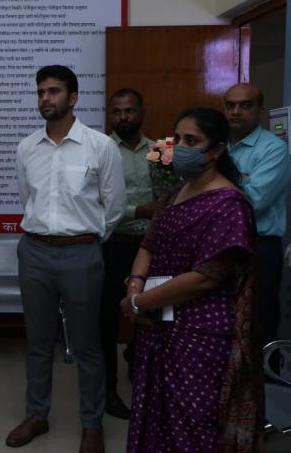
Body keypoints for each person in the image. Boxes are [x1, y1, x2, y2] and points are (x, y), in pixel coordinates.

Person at [123, 108, 263, 453]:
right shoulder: (177, 194)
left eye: (192, 141)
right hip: (157, 325)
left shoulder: (228, 203)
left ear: (215, 150)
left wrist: (140, 303)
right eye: (178, 139)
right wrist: (135, 286)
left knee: (194, 422)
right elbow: (148, 244)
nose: (181, 147)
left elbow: (205, 278)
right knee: (157, 416)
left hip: (200, 332)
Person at [6, 65, 126, 453]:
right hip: (35, 252)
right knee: (38, 342)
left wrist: (86, 240)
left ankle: (91, 423)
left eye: (54, 91)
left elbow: (115, 207)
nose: (45, 98)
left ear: (73, 98)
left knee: (88, 344)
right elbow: (29, 200)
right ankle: (36, 414)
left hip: (81, 254)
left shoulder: (100, 146)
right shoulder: (27, 147)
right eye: (41, 91)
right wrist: (47, 234)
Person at [101, 88, 161, 420]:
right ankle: (107, 389)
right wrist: (142, 210)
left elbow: (169, 196)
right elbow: (99, 206)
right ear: (110, 115)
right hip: (114, 244)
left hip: (152, 248)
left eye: (130, 111)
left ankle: (140, 367)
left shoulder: (160, 151)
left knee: (150, 313)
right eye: (117, 112)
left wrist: (161, 210)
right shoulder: (101, 151)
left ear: (141, 112)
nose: (124, 117)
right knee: (108, 319)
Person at [224, 83, 291, 346]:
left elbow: (253, 201)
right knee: (224, 320)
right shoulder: (217, 146)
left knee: (259, 321)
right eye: (230, 105)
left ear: (260, 110)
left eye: (245, 105)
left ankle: (264, 384)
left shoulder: (273, 148)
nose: (236, 111)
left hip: (259, 247)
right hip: (221, 246)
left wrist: (212, 194)